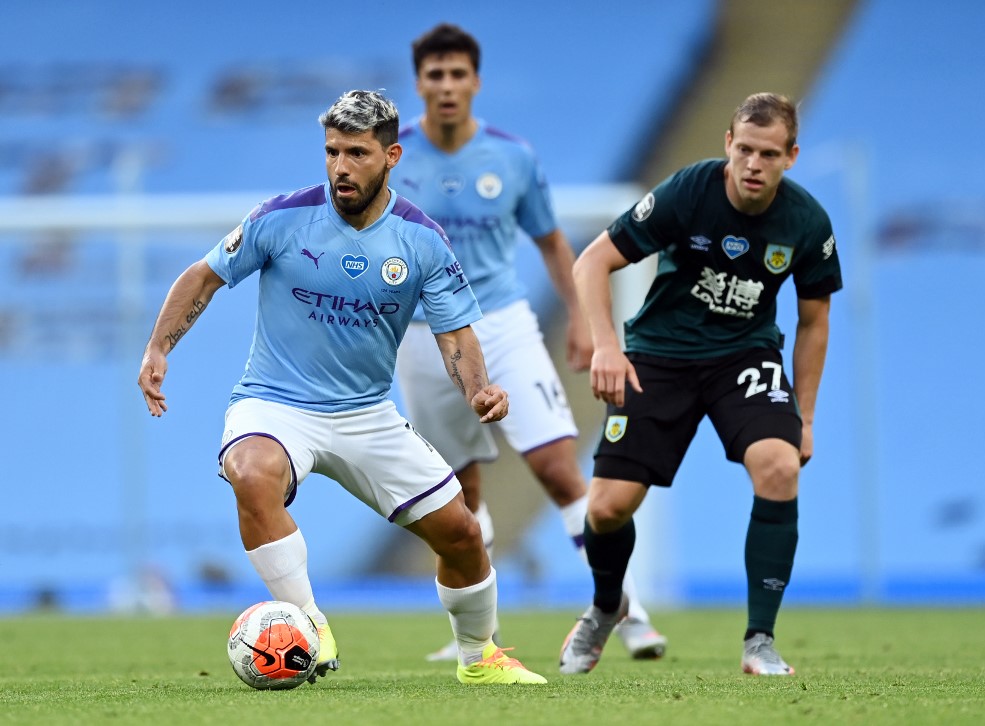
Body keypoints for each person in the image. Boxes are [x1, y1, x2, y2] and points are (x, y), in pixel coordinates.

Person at [137, 90, 546, 686]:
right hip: (276, 402)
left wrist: (479, 391)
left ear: (392, 156)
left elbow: (455, 336)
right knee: (250, 471)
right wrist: (158, 347)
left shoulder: (421, 240)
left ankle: (479, 657)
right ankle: (308, 624)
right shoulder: (280, 218)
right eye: (332, 151)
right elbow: (204, 276)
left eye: (357, 153)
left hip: (364, 414)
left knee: (460, 534)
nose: (340, 167)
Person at [393, 22, 667, 662]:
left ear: (476, 81)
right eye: (435, 74)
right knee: (458, 496)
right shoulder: (392, 155)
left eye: (458, 73)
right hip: (424, 335)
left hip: (504, 323)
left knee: (557, 469)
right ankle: (478, 638)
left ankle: (623, 607)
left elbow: (550, 242)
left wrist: (579, 318)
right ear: (420, 83)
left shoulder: (512, 157)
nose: (447, 85)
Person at [560, 92, 842, 676]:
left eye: (769, 153)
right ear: (727, 146)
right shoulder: (690, 190)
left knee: (780, 466)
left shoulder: (808, 222)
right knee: (608, 508)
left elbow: (814, 323)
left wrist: (806, 419)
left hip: (744, 356)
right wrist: (607, 347)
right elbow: (591, 262)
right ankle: (608, 606)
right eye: (744, 149)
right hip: (659, 357)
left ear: (791, 156)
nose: (753, 164)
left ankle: (759, 640)